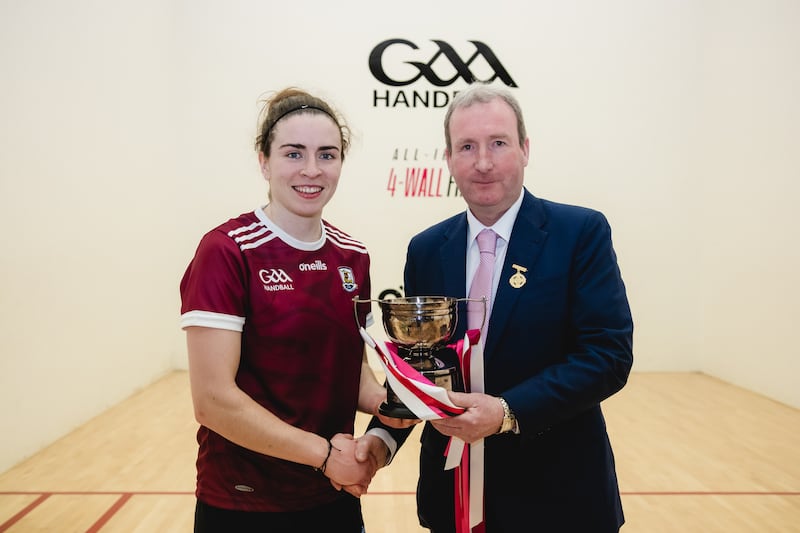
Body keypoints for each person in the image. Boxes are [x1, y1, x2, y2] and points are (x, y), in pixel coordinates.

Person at [357, 83, 634, 532]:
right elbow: (421, 368)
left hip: (560, 501)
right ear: (448, 159)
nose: (483, 162)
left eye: (498, 143)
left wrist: (506, 412)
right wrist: (382, 437)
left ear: (525, 149)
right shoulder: (427, 249)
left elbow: (608, 357)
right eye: (467, 146)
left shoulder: (580, 233)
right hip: (452, 500)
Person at [179, 87, 409, 533]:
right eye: (293, 153)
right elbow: (212, 400)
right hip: (242, 503)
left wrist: (404, 402)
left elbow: (353, 373)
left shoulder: (352, 256)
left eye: (327, 154)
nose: (311, 170)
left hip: (332, 497)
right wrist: (325, 456)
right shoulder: (227, 251)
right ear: (264, 161)